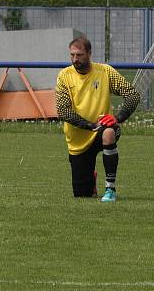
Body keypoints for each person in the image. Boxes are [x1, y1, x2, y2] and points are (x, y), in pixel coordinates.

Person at [55, 35, 140, 202]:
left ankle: (110, 189)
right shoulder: (64, 76)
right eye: (72, 55)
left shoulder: (105, 71)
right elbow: (63, 111)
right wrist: (89, 125)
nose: (75, 59)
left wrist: (117, 118)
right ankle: (90, 179)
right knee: (82, 194)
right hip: (79, 136)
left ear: (89, 54)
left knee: (108, 132)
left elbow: (132, 95)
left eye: (79, 55)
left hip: (102, 129)